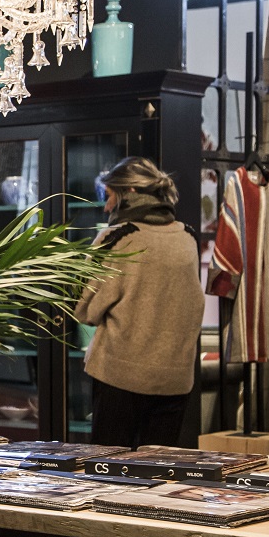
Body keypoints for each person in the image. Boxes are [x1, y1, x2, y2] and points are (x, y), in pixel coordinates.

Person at [75, 156, 204, 448]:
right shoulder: (188, 237)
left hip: (119, 379)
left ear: (129, 192)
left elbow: (84, 308)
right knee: (156, 467)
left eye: (109, 195)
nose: (106, 206)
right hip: (175, 382)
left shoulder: (118, 238)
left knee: (107, 465)